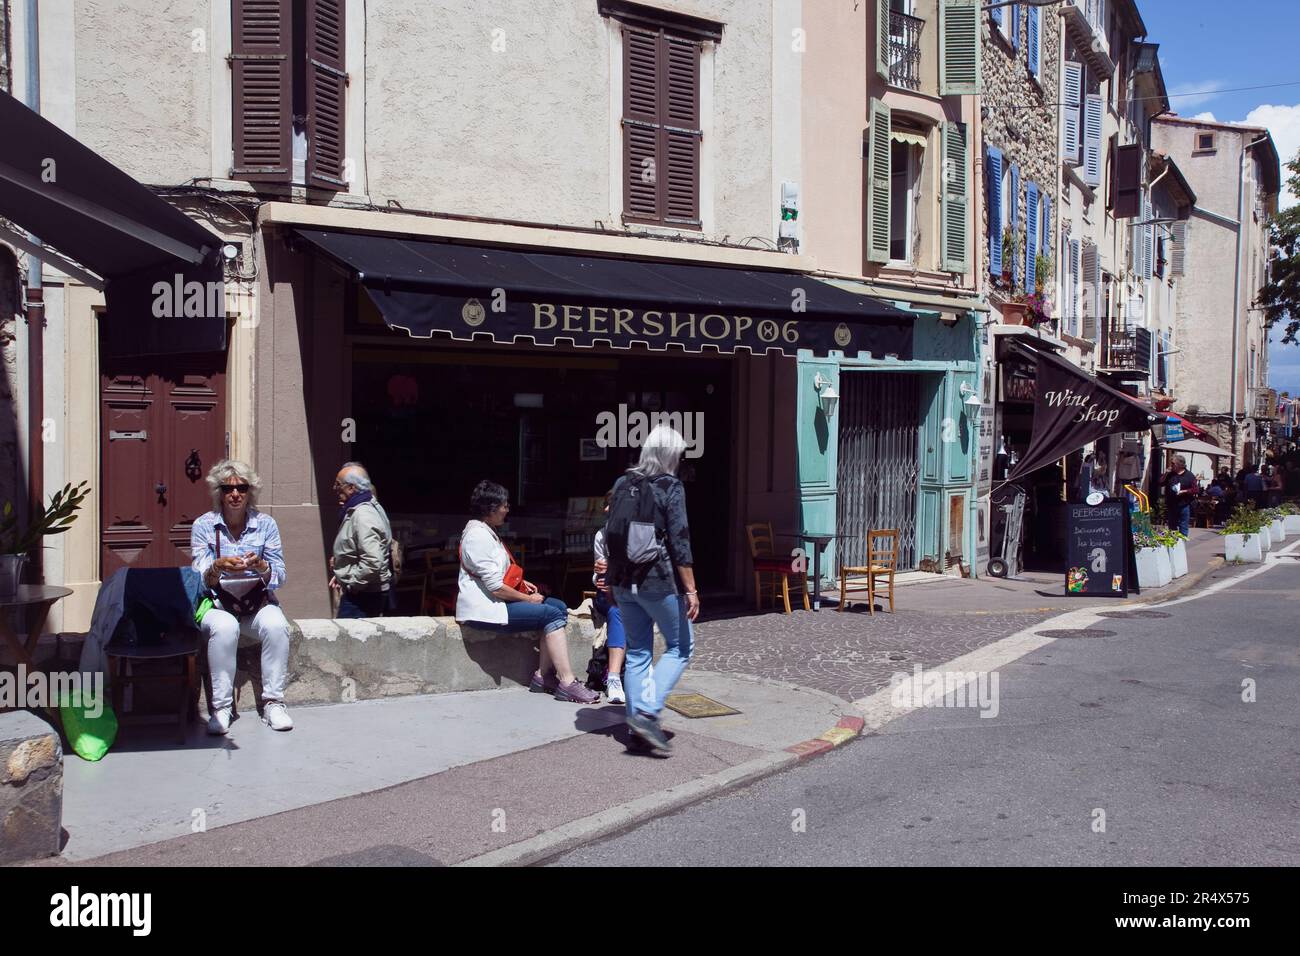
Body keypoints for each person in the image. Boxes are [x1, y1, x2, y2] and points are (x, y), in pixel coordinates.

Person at [455, 480, 598, 704]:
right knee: (552, 614)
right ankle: (567, 682)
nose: (507, 509)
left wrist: (523, 584)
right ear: (490, 508)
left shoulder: (486, 531)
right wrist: (528, 599)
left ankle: (542, 677)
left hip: (497, 603)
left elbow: (496, 574)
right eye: (504, 505)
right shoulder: (478, 536)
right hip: (487, 610)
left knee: (558, 607)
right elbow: (495, 588)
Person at [606, 425, 698, 754]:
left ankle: (636, 727)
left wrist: (609, 581)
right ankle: (647, 713)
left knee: (638, 653)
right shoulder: (670, 486)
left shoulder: (622, 483)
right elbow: (680, 539)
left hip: (623, 582)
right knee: (681, 646)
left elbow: (609, 533)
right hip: (656, 582)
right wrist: (691, 590)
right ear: (671, 455)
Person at [191, 459, 293, 734]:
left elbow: (280, 575)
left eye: (241, 488)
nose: (235, 494)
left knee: (277, 625)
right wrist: (217, 566)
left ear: (250, 492)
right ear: (219, 493)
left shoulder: (266, 524)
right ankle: (221, 709)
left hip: (257, 601)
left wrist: (262, 566)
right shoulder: (204, 525)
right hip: (219, 603)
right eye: (228, 489)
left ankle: (274, 703)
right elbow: (200, 577)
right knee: (224, 628)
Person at [329, 462, 394, 618]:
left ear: (352, 488)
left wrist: (352, 582)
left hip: (363, 597)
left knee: (347, 641)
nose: (334, 488)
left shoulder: (363, 514)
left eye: (338, 484)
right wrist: (341, 568)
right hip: (363, 593)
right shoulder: (362, 507)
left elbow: (372, 560)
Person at [591, 493, 626, 705]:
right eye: (605, 505)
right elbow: (598, 577)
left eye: (611, 506)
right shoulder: (601, 536)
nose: (605, 510)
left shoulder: (637, 537)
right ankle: (613, 678)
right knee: (617, 610)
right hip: (608, 597)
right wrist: (598, 575)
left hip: (629, 593)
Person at [1159, 454, 1198, 537]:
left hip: (1184, 505)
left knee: (1183, 527)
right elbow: (1160, 483)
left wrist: (1185, 491)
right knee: (1172, 528)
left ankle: (1182, 546)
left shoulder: (1189, 476)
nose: (1171, 465)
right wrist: (1166, 473)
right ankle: (1173, 547)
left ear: (1180, 464)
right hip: (1172, 504)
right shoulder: (1170, 474)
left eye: (1173, 463)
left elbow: (1195, 489)